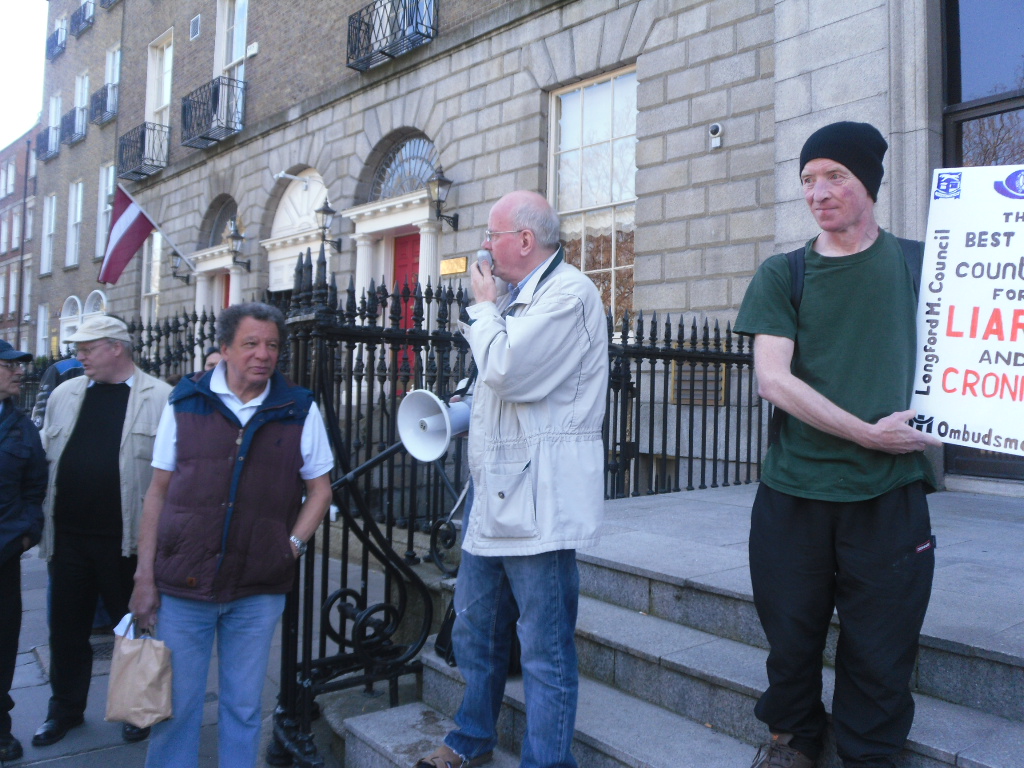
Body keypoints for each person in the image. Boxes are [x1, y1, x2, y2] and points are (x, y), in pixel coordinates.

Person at [735, 121, 942, 768]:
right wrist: (867, 433)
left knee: (882, 647)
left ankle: (869, 753)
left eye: (835, 177)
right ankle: (793, 738)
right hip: (794, 493)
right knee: (790, 638)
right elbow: (774, 380)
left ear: (869, 185)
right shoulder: (783, 274)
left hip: (890, 499)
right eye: (808, 179)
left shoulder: (921, 267)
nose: (817, 192)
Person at [416, 191, 609, 768]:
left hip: (541, 500)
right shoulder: (522, 298)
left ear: (525, 240)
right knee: (476, 629)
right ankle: (471, 737)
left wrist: (480, 308)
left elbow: (511, 371)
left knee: (545, 649)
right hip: (497, 493)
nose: (484, 247)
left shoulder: (570, 294)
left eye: (491, 235)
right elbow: (497, 387)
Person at [130, 302, 333, 768]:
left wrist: (292, 546)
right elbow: (156, 493)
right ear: (223, 349)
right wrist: (144, 577)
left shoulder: (298, 408)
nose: (263, 354)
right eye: (251, 344)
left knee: (243, 708)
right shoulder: (186, 402)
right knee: (175, 710)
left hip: (257, 588)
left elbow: (319, 491)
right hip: (183, 585)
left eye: (272, 346)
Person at [33, 316, 171, 748]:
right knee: (66, 630)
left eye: (87, 348)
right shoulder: (63, 394)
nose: (79, 355)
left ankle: (139, 710)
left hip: (126, 541)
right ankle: (65, 711)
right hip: (68, 538)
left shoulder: (161, 398)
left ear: (117, 347)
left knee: (135, 629)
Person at [0, 342, 47, 763]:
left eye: (18, 365)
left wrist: (27, 535)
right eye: (9, 365)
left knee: (2, 646)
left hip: (4, 558)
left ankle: (0, 728)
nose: (18, 372)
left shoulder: (21, 427)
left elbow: (36, 487)